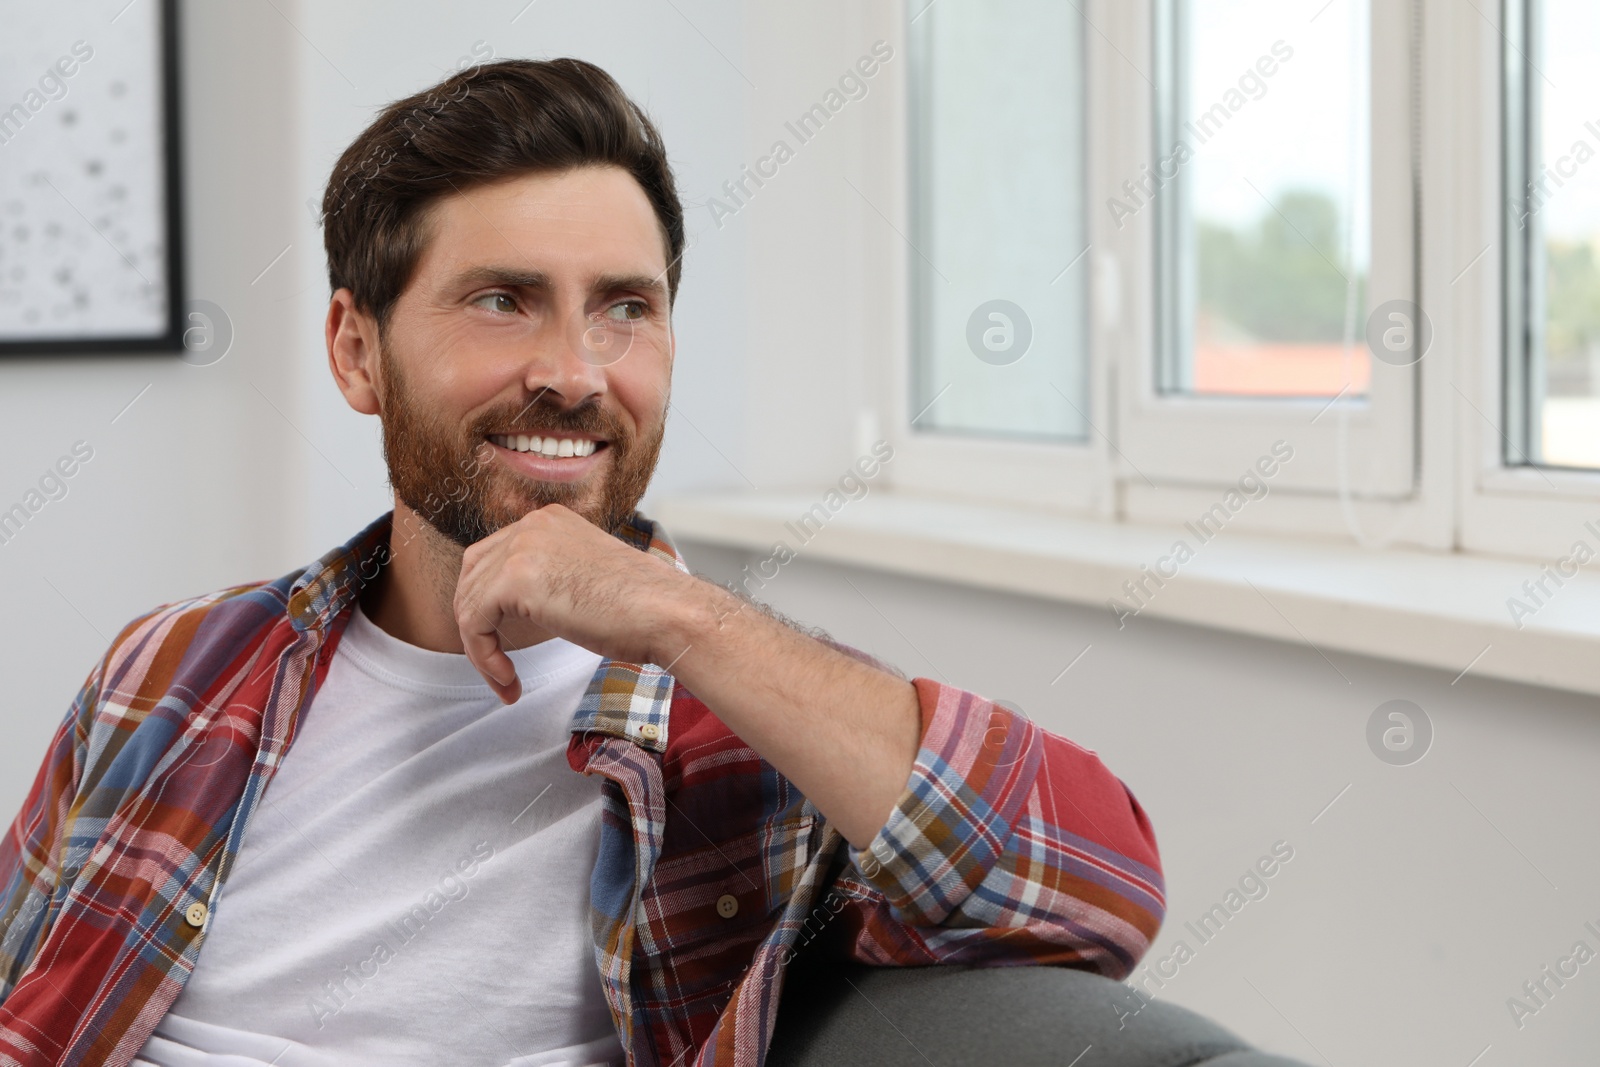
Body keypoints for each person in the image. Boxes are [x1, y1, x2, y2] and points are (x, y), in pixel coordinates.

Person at [0, 58, 1291, 1067]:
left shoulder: (744, 731)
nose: (573, 371)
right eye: (503, 299)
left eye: (627, 306)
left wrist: (669, 615)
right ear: (356, 350)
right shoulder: (175, 666)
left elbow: (1100, 890)